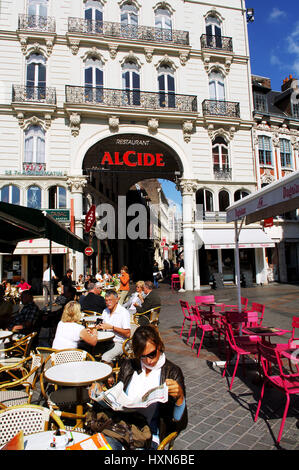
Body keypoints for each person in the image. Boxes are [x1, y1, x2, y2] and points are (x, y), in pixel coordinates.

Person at [88, 324, 187, 450]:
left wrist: (180, 399)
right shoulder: (129, 366)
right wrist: (100, 393)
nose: (148, 361)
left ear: (159, 346)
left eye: (152, 354)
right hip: (121, 429)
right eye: (142, 356)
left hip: (147, 437)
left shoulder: (172, 372)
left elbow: (181, 424)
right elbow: (117, 399)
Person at [97, 289, 131, 365]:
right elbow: (102, 326)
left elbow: (128, 334)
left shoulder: (123, 312)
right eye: (106, 301)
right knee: (90, 350)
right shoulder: (105, 311)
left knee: (105, 357)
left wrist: (112, 327)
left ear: (116, 300)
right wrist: (98, 327)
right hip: (106, 341)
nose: (108, 303)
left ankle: (109, 376)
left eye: (110, 300)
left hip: (120, 342)